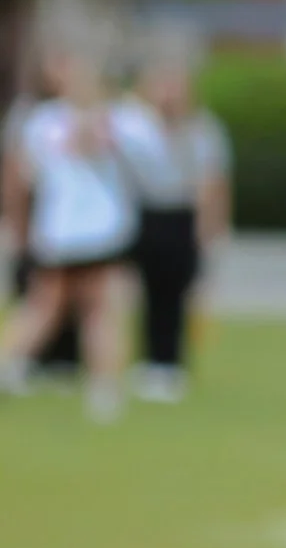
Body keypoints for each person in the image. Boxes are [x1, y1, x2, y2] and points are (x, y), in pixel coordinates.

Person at [1, 52, 139, 417]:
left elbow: (114, 149)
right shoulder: (44, 122)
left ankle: (104, 385)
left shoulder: (113, 117)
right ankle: (11, 364)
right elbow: (29, 172)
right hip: (62, 228)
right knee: (47, 305)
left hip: (99, 228)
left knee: (97, 307)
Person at [111, 53, 232, 398]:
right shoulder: (133, 125)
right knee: (141, 290)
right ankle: (144, 359)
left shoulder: (203, 129)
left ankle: (170, 363)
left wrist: (213, 229)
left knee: (175, 292)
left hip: (180, 214)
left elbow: (214, 182)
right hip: (142, 213)